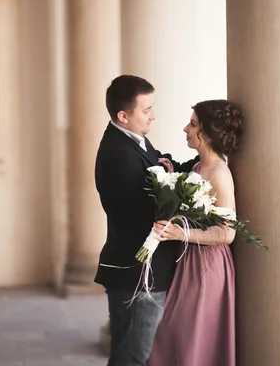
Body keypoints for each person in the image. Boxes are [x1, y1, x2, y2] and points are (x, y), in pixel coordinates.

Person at [94, 75, 198, 366]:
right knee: (135, 357)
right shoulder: (118, 155)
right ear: (123, 116)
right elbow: (145, 214)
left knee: (132, 355)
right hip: (137, 272)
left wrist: (200, 164)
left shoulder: (132, 139)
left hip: (142, 270)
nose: (154, 116)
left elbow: (157, 166)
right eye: (147, 110)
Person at [147, 99, 242, 366]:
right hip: (189, 261)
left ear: (209, 133)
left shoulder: (219, 173)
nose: (185, 129)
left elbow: (227, 233)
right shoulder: (198, 168)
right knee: (174, 337)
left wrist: (180, 233)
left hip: (208, 267)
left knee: (192, 340)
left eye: (193, 124)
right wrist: (171, 180)